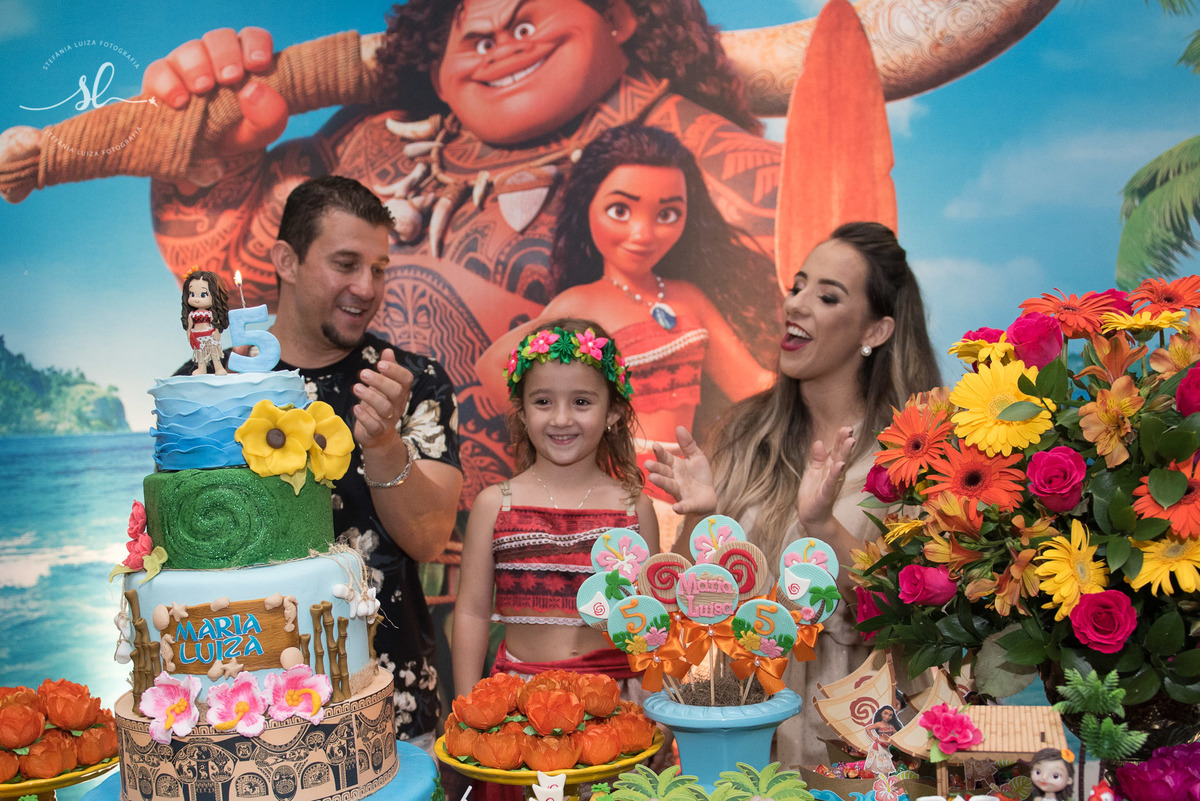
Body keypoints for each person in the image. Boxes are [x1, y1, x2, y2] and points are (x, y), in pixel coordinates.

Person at [177, 175, 464, 750]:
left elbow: (431, 539)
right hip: (244, 713)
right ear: (287, 260)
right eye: (346, 264)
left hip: (392, 705)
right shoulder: (209, 390)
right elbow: (187, 545)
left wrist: (383, 441)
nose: (367, 287)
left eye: (379, 268)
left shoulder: (408, 382)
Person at [646, 221, 942, 769]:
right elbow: (695, 606)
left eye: (827, 296)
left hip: (856, 751)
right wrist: (702, 519)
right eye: (797, 286)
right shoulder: (744, 435)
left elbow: (911, 620)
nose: (797, 304)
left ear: (876, 330)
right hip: (745, 746)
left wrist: (824, 524)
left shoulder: (915, 454)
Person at [477, 124, 773, 536]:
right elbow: (494, 365)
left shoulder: (688, 297)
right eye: (620, 211)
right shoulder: (580, 305)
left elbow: (751, 384)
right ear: (587, 207)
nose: (643, 234)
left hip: (683, 483)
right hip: (620, 488)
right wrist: (575, 444)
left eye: (667, 214)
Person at [453, 317, 659, 692]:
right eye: (543, 402)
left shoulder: (634, 508)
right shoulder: (495, 505)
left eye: (581, 402)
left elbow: (652, 617)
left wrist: (655, 708)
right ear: (522, 410)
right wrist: (467, 706)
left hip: (618, 702)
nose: (561, 419)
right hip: (520, 703)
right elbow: (472, 612)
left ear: (612, 412)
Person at [181, 268, 229, 376]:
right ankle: (201, 369)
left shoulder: (210, 314)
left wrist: (217, 331)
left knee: (214, 352)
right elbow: (189, 326)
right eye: (192, 294)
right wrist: (189, 333)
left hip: (209, 335)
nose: (196, 299)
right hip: (197, 337)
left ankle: (219, 367)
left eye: (203, 295)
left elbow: (215, 322)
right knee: (200, 354)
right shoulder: (192, 315)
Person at [863, 705, 898, 774]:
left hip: (886, 746)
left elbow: (897, 734)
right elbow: (867, 728)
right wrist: (872, 737)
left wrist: (892, 741)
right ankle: (876, 777)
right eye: (885, 714)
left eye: (890, 715)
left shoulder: (891, 726)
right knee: (877, 763)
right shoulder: (879, 724)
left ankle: (885, 777)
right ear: (881, 713)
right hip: (879, 746)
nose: (887, 717)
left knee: (886, 763)